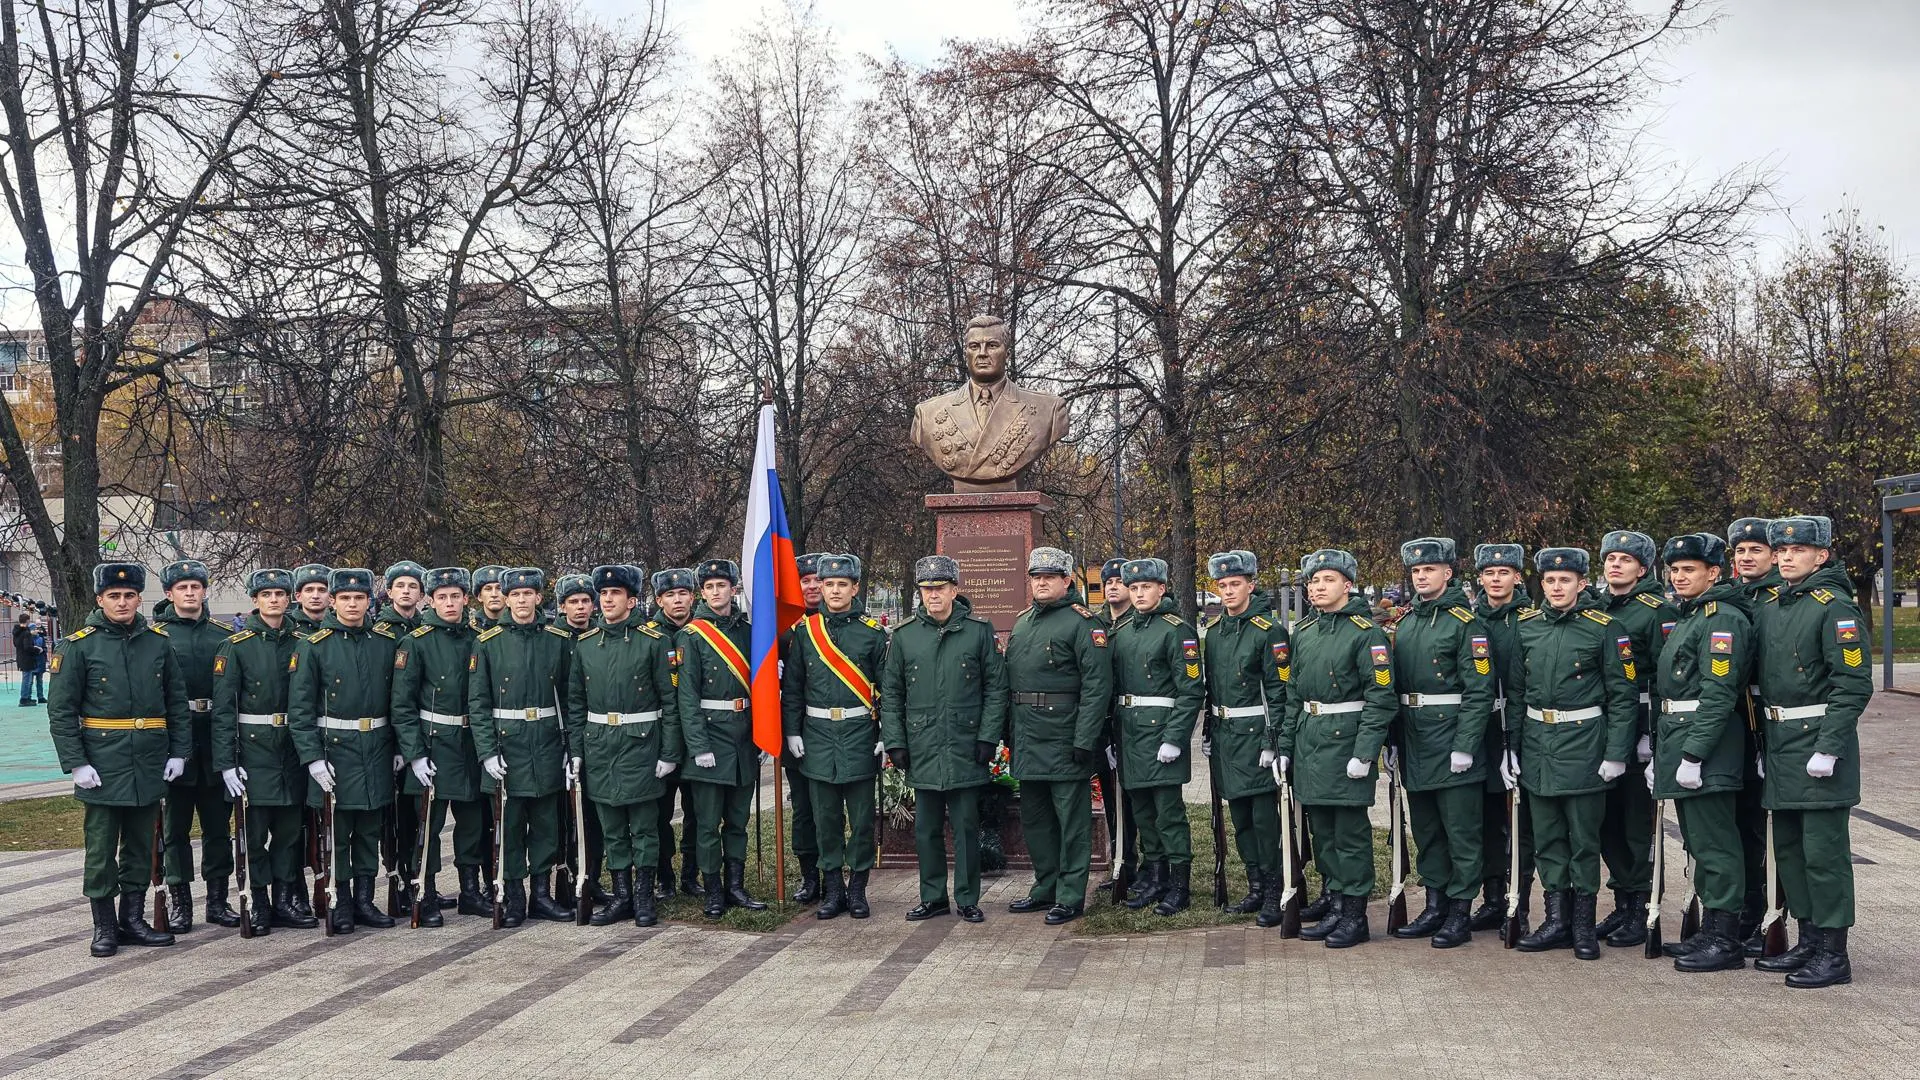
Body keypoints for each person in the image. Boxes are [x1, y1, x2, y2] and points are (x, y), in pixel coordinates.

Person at [1751, 515, 1871, 988]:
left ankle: (1833, 952)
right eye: (1779, 551)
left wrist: (1829, 747)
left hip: (1819, 744)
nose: (1784, 558)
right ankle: (1807, 939)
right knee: (1791, 851)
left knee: (1824, 853)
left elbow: (1853, 684)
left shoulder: (1833, 607)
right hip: (1781, 744)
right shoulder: (1779, 605)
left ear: (1820, 556)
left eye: (1795, 551)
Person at [47, 562, 190, 956]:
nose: (122, 602)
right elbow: (61, 711)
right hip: (102, 762)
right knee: (101, 849)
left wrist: (179, 751)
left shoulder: (158, 643)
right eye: (114, 596)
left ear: (139, 599)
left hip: (147, 760)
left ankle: (132, 919)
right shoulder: (79, 646)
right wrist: (77, 762)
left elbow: (176, 703)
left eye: (129, 596)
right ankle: (104, 926)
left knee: (140, 847)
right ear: (100, 599)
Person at [1509, 548, 1638, 960]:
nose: (1557, 587)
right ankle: (1556, 919)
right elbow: (1515, 692)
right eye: (1550, 580)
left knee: (1584, 840)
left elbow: (1623, 694)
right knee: (1547, 838)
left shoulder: (1605, 628)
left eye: (1566, 580)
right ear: (1541, 584)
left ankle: (1583, 924)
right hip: (1536, 744)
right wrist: (1510, 748)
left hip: (1584, 743)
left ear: (1583, 584)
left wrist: (1616, 752)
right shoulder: (1526, 628)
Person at [1273, 548, 1395, 949]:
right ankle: (1337, 903)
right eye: (1313, 581)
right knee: (1322, 832)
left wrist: (1365, 753)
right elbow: (1293, 695)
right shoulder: (1304, 632)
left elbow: (1381, 698)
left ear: (1347, 584)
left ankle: (1355, 915)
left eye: (1327, 580)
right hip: (1310, 741)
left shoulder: (1366, 633)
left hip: (1346, 742)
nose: (1318, 587)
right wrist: (1285, 746)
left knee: (1350, 834)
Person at [880, 555, 1006, 923]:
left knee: (967, 826)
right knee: (926, 828)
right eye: (927, 589)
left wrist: (988, 737)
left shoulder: (979, 630)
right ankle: (933, 896)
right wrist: (896, 742)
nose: (933, 595)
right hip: (922, 746)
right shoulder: (905, 636)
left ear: (955, 589)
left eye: (940, 588)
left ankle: (967, 897)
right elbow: (892, 694)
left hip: (966, 745)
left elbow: (996, 689)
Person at [1648, 532, 1753, 972]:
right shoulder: (1691, 615)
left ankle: (1726, 938)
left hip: (1706, 746)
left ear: (1715, 572)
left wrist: (1694, 755)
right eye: (1674, 570)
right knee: (1699, 842)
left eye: (1689, 569)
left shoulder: (1721, 618)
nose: (1679, 576)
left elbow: (1718, 693)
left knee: (1717, 844)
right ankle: (1711, 929)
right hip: (1682, 740)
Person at [1389, 538, 1495, 948]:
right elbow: (1395, 690)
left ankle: (1459, 912)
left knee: (1461, 832)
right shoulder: (1407, 622)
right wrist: (1394, 740)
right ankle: (1434, 905)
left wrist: (1466, 744)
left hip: (1452, 739)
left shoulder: (1466, 624)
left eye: (1429, 570)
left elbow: (1479, 690)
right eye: (1416, 571)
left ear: (1448, 573)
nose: (1421, 577)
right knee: (1428, 831)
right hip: (1416, 740)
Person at [566, 564, 682, 927]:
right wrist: (577, 752)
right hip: (600, 746)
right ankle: (622, 896)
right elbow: (575, 704)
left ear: (631, 601)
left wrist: (669, 752)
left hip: (643, 746)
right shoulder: (585, 646)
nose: (607, 600)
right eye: (603, 594)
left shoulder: (654, 641)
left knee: (644, 828)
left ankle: (645, 896)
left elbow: (671, 701)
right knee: (612, 827)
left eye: (615, 594)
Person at [288, 568, 402, 933]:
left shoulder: (385, 643)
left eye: (360, 598)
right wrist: (312, 758)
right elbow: (300, 710)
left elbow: (398, 703)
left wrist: (399, 747)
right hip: (334, 751)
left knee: (370, 830)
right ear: (334, 602)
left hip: (377, 749)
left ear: (370, 601)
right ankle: (340, 901)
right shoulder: (313, 646)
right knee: (337, 833)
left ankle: (366, 900)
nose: (352, 604)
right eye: (345, 598)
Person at [1003, 547, 1111, 925]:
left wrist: (1085, 739)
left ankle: (1070, 894)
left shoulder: (1084, 624)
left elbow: (1097, 687)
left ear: (1067, 581)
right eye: (1036, 577)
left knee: (1072, 822)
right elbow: (1008, 684)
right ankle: (1045, 886)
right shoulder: (1022, 622)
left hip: (1066, 737)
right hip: (1028, 738)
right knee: (1035, 820)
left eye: (1050, 576)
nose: (1042, 583)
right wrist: (1007, 735)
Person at [781, 553, 889, 920]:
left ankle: (857, 888)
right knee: (825, 818)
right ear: (820, 588)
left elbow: (888, 688)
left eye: (843, 584)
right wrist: (792, 731)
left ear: (855, 587)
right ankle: (833, 889)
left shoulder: (873, 633)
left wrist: (886, 732)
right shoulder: (805, 633)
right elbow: (793, 687)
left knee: (860, 820)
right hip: (817, 736)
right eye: (828, 585)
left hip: (859, 734)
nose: (835, 591)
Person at [468, 567, 575, 926]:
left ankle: (541, 894)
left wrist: (569, 749)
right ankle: (514, 896)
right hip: (507, 746)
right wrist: (486, 752)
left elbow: (571, 700)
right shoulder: (487, 642)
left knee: (546, 824)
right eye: (515, 595)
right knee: (509, 825)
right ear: (507, 599)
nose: (522, 601)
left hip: (545, 743)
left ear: (538, 598)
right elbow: (478, 705)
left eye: (528, 594)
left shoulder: (558, 640)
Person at [211, 568, 313, 936]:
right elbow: (223, 711)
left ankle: (285, 899)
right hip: (253, 751)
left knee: (289, 833)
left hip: (291, 749)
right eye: (266, 594)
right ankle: (259, 901)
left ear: (290, 599)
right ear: (255, 601)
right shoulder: (235, 646)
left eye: (280, 594)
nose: (274, 600)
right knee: (253, 835)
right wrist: (227, 763)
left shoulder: (303, 641)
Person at [1590, 530, 1676, 947]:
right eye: (1610, 558)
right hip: (1601, 728)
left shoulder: (1656, 611)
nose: (1615, 565)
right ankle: (1622, 902)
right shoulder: (1595, 608)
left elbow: (1665, 679)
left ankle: (1642, 906)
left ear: (1642, 569)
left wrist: (1653, 735)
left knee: (1635, 824)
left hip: (1639, 726)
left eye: (1625, 560)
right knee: (1605, 822)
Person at [390, 567, 487, 924]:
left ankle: (471, 891)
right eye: (442, 596)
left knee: (472, 823)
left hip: (470, 744)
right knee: (427, 827)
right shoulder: (415, 642)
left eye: (456, 595)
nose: (449, 602)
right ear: (430, 600)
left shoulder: (479, 639)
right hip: (432, 746)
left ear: (466, 598)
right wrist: (415, 755)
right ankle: (426, 893)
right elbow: (402, 705)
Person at [1107, 558, 1202, 916]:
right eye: (1134, 588)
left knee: (1169, 814)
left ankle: (1180, 884)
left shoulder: (1177, 630)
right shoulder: (1124, 630)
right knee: (1143, 813)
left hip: (1161, 732)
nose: (1139, 593)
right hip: (1130, 734)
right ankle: (1156, 874)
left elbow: (1191, 689)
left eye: (1146, 587)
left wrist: (1176, 737)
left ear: (1162, 589)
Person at [1200, 550, 1290, 928]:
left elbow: (1280, 691)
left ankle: (1274, 889)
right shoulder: (1216, 633)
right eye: (1222, 585)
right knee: (1240, 819)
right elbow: (1212, 689)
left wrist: (1275, 742)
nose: (1228, 591)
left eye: (1235, 584)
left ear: (1251, 585)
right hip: (1226, 737)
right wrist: (1208, 728)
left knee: (1264, 820)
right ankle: (1254, 885)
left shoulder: (1270, 631)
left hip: (1257, 738)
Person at [675, 559, 766, 919]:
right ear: (703, 592)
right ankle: (713, 889)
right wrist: (698, 746)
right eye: (710, 587)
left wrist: (761, 737)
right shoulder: (691, 635)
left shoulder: (748, 631)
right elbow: (687, 697)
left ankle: (736, 885)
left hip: (743, 738)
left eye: (722, 586)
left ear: (734, 589)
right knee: (709, 824)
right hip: (710, 739)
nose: (716, 592)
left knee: (738, 822)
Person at [155, 559, 241, 933]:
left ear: (205, 591)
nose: (190, 593)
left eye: (196, 587)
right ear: (169, 593)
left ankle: (219, 901)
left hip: (215, 740)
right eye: (182, 587)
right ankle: (180, 904)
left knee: (218, 828)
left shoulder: (223, 636)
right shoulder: (156, 637)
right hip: (175, 740)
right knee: (174, 830)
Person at [1470, 543, 1534, 938]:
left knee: (1520, 824)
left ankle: (1519, 902)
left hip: (1519, 727)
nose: (1496, 579)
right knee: (1485, 821)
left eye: (1504, 573)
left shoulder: (1530, 619)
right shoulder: (1469, 618)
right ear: (1480, 578)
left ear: (1517, 577)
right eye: (1489, 574)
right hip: (1481, 729)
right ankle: (1492, 898)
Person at [1727, 516, 1779, 954]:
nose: (1746, 557)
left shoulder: (1780, 598)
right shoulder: (1730, 598)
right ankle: (1741, 914)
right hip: (1735, 724)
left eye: (1755, 550)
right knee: (1739, 825)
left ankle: (1766, 917)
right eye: (1740, 552)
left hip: (1767, 723)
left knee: (1761, 832)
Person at [647, 568, 702, 900]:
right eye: (670, 595)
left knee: (698, 813)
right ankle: (664, 875)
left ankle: (691, 875)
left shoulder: (702, 632)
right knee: (660, 815)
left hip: (697, 737)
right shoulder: (651, 634)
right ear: (659, 599)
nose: (677, 600)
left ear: (692, 597)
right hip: (660, 738)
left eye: (683, 594)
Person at [781, 551, 826, 904]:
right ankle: (809, 876)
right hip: (797, 729)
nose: (811, 586)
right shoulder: (784, 628)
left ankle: (834, 873)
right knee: (804, 809)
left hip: (837, 731)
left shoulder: (839, 622)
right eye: (805, 580)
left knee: (830, 806)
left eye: (817, 580)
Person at [1092, 557, 1139, 895]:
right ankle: (1120, 862)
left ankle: (1144, 864)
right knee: (1111, 798)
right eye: (1108, 581)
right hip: (1104, 723)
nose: (1112, 586)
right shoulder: (1095, 623)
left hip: (1134, 721)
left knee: (1136, 798)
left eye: (1118, 581)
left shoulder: (1140, 622)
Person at [289, 564, 332, 635]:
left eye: (322, 590)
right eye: (309, 590)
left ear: (331, 597)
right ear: (298, 596)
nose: (315, 596)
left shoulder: (341, 626)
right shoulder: (287, 627)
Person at [14, 612, 45, 705]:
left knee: (26, 678)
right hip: (27, 659)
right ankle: (24, 699)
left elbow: (17, 645)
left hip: (20, 657)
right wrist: (37, 649)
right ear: (27, 621)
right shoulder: (26, 633)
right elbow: (27, 647)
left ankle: (26, 697)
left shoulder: (17, 632)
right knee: (27, 680)